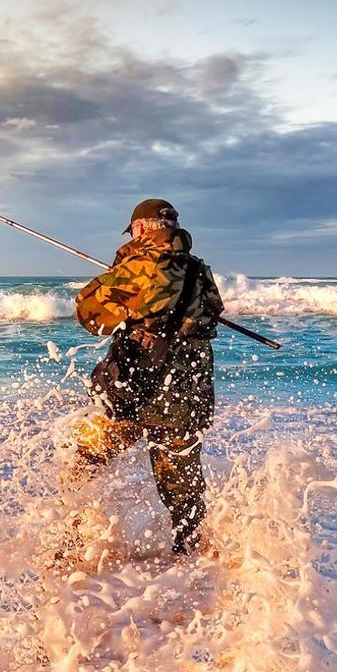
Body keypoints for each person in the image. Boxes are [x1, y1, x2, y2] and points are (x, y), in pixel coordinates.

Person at [72, 199, 224, 554]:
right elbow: (212, 312)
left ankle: (73, 544)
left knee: (81, 460)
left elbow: (89, 313)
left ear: (141, 228)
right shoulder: (200, 271)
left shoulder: (139, 266)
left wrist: (117, 273)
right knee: (183, 486)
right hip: (188, 392)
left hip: (137, 387)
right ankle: (190, 560)